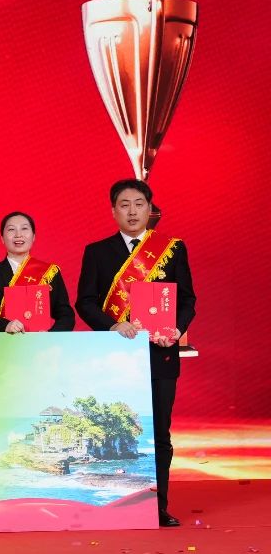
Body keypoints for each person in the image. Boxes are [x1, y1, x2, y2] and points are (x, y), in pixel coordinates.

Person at [76, 179, 196, 527]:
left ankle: (158, 507)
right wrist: (113, 324)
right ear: (113, 211)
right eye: (124, 205)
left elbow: (187, 298)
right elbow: (85, 301)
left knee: (159, 432)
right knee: (115, 430)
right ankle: (115, 505)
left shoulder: (172, 249)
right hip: (116, 355)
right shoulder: (97, 252)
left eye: (139, 204)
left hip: (161, 353)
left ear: (150, 209)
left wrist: (176, 329)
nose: (132, 211)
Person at [0, 211, 76, 332]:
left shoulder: (49, 273)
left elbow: (66, 316)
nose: (18, 235)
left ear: (33, 237)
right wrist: (4, 326)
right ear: (2, 238)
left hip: (40, 342)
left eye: (24, 228)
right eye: (11, 229)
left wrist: (50, 335)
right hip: (1, 341)